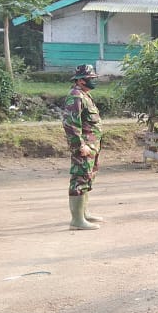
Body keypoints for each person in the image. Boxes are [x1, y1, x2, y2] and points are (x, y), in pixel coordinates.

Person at [63, 64, 104, 231]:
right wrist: (80, 145)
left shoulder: (84, 95)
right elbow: (70, 124)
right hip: (84, 147)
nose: (93, 81)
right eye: (90, 78)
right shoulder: (76, 96)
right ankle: (77, 220)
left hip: (92, 146)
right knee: (79, 179)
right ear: (80, 80)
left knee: (87, 178)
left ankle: (83, 214)